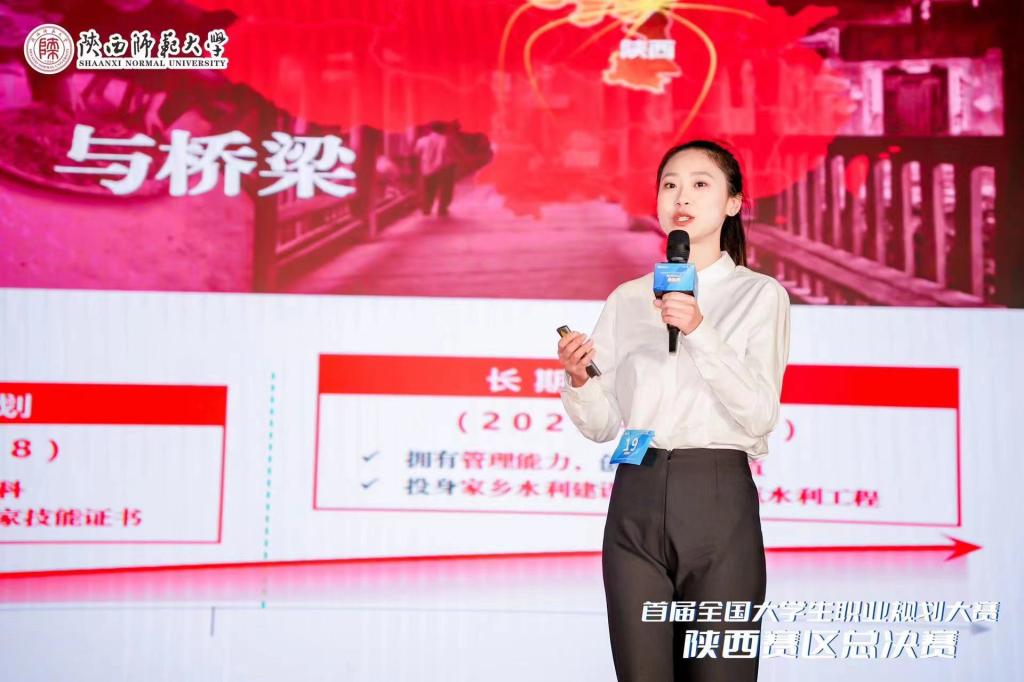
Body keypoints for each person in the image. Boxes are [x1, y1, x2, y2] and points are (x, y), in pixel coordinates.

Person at [557, 140, 791, 681]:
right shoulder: (628, 298)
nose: (681, 197)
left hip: (716, 500)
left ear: (733, 202)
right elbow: (603, 425)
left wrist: (699, 329)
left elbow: (759, 414)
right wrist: (578, 378)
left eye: (700, 184)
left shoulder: (759, 295)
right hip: (635, 496)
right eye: (670, 185)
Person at [414, 122, 455, 216]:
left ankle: (426, 208)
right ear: (443, 129)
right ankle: (442, 209)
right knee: (445, 189)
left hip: (427, 168)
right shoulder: (445, 139)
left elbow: (416, 153)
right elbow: (448, 153)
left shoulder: (422, 140)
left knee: (428, 189)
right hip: (442, 168)